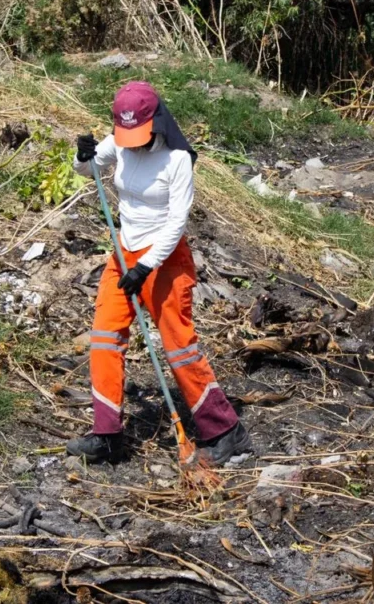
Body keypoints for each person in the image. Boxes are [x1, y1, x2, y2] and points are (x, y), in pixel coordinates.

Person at [66, 81, 252, 466]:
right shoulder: (120, 142)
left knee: (179, 346)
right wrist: (82, 157)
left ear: (155, 122)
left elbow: (177, 222)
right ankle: (107, 435)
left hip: (164, 258)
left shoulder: (176, 160)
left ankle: (226, 431)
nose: (131, 144)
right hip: (124, 253)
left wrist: (145, 266)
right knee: (104, 337)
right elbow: (89, 170)